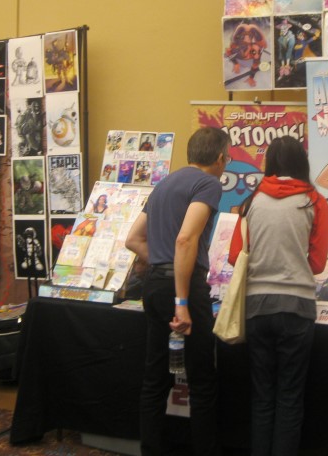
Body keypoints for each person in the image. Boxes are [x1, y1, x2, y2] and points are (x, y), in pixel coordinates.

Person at [125, 126, 230, 456]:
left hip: (155, 283)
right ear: (220, 158)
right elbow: (186, 239)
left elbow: (133, 239)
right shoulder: (208, 184)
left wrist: (161, 262)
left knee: (155, 378)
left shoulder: (164, 184)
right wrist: (182, 300)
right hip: (183, 287)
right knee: (201, 380)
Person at [228, 137, 328, 455]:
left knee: (262, 395)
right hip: (298, 307)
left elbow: (234, 256)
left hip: (257, 306)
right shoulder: (314, 201)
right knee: (290, 396)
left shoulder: (251, 201)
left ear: (269, 162)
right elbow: (318, 264)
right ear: (302, 162)